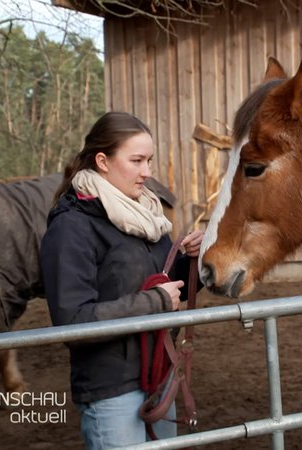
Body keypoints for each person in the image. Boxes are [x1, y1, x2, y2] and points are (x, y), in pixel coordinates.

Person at [40, 111, 203, 449]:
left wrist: (195, 261)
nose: (147, 172)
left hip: (159, 377)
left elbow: (167, 286)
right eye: (137, 161)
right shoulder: (71, 227)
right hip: (111, 390)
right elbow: (72, 320)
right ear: (103, 161)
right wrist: (155, 302)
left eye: (149, 161)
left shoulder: (146, 216)